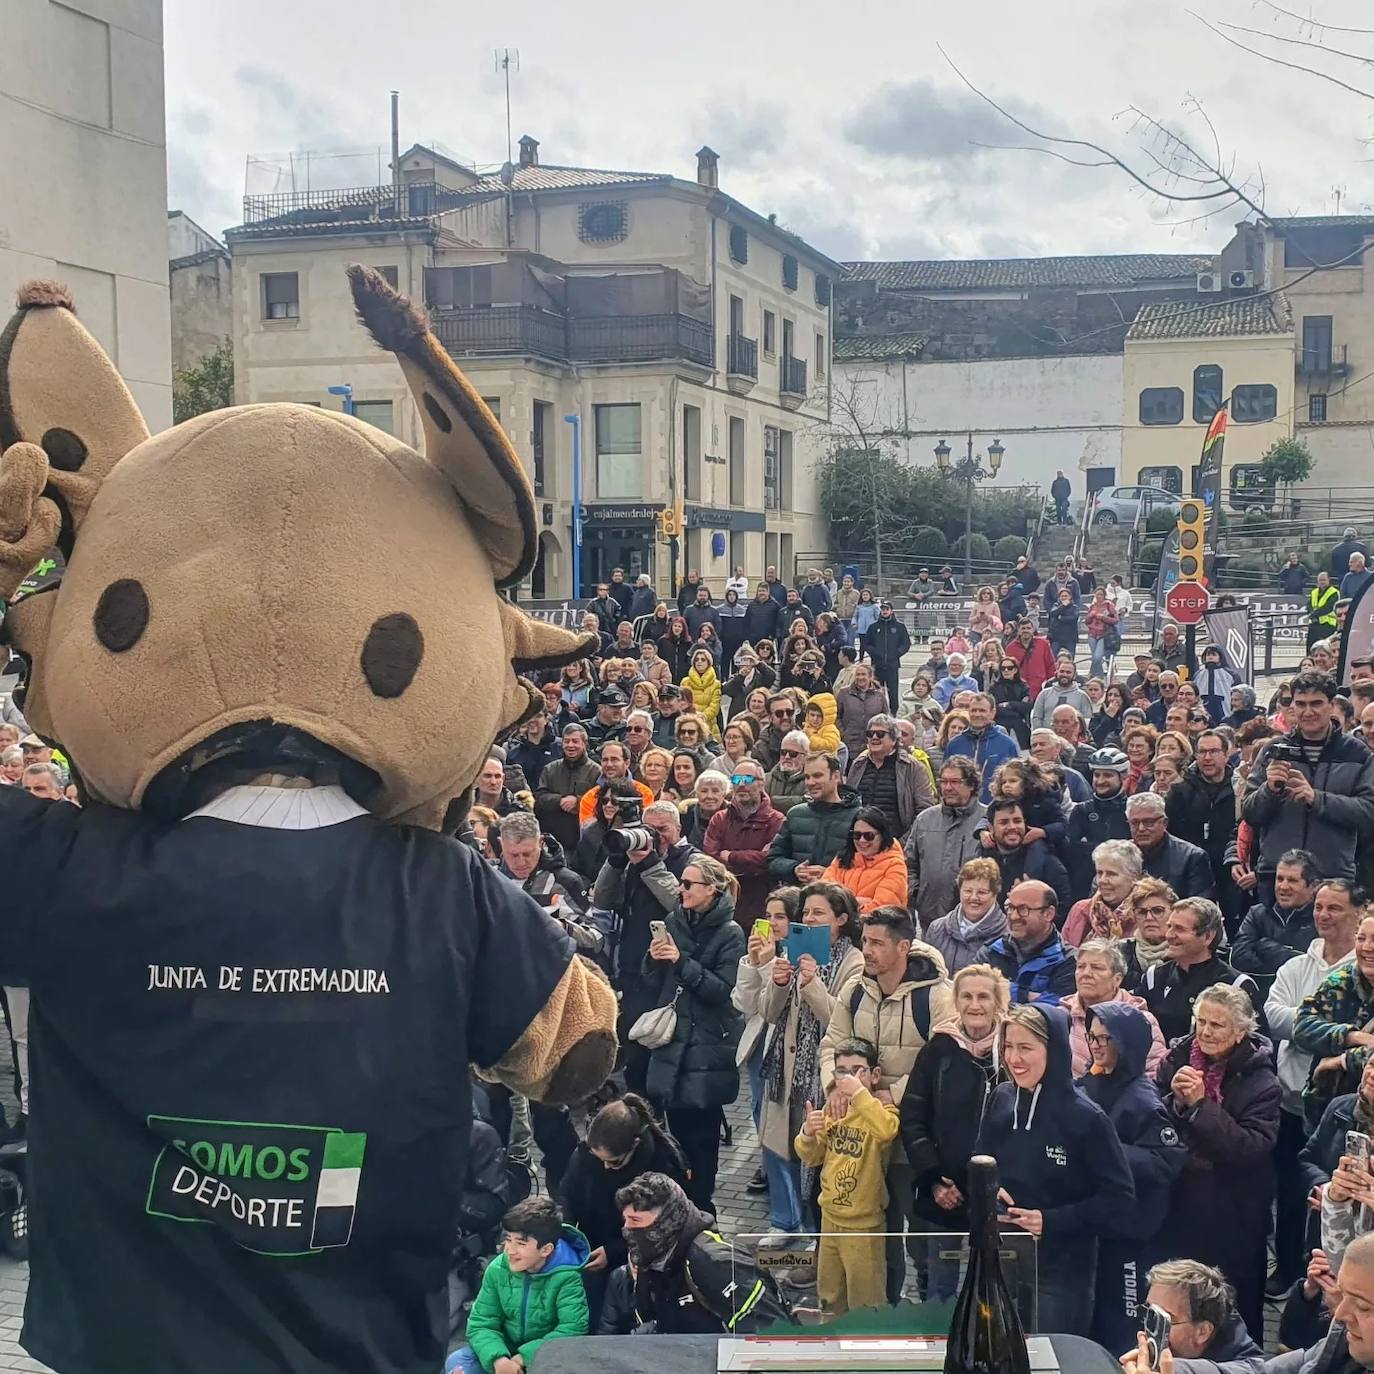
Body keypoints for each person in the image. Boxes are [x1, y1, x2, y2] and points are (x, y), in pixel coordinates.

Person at [977, 1003, 1134, 1335]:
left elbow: (1120, 1199)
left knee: (1053, 1358)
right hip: (1001, 1255)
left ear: (1055, 1051)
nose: (1013, 1058)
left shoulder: (1087, 1118)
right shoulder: (1002, 1098)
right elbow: (980, 1160)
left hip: (1062, 1269)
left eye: (1025, 1048)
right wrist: (988, 1188)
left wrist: (1051, 1220)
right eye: (1008, 1047)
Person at [1155, 983, 1282, 1341]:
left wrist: (1199, 1107)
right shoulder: (1176, 1057)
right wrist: (1175, 1102)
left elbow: (1250, 1147)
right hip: (1180, 1203)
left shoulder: (1263, 1082)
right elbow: (1151, 1116)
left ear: (1242, 1031)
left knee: (1234, 1306)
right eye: (1202, 1022)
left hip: (1234, 1211)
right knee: (1181, 1300)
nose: (1206, 1032)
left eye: (1218, 1025)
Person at [753, 881, 865, 1243]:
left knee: (816, 1158)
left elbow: (841, 1020)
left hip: (823, 1075)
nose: (810, 919)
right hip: (786, 1071)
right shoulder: (791, 949)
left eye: (819, 913)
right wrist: (781, 982)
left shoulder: (854, 962)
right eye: (806, 913)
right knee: (782, 1147)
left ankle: (819, 1239)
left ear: (841, 919)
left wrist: (812, 984)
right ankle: (786, 1222)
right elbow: (769, 1013)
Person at [1267, 879, 1361, 1293]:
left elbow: (1301, 1024)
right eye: (1319, 907)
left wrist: (1332, 1047)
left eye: (1334, 908)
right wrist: (1350, 1035)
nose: (1322, 915)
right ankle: (1293, 1273)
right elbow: (1282, 1020)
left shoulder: (1362, 971)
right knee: (1295, 1191)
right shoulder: (1296, 967)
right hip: (1295, 1099)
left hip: (1350, 1107)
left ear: (1358, 914)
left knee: (1341, 1197)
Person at [1079, 1003, 1189, 1355]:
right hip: (1099, 1227)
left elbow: (1166, 1161)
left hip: (1132, 1235)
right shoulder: (1091, 1083)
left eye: (1105, 1038)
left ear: (1127, 1043)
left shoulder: (1142, 1100)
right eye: (1092, 1036)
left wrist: (1107, 1152)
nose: (1096, 1045)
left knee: (1123, 1325)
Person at [640, 854, 744, 1212]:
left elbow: (724, 991)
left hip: (708, 1048)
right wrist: (654, 958)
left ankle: (702, 1210)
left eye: (688, 884)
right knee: (675, 1136)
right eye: (681, 883)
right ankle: (680, 1207)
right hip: (673, 1044)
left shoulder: (731, 933)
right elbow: (654, 981)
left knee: (703, 1140)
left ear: (711, 890)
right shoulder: (673, 921)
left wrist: (681, 962)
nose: (680, 889)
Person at [900, 963, 1010, 1296]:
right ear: (956, 1001)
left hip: (997, 1194)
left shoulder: (1013, 1048)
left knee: (994, 1285)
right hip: (944, 1191)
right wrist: (933, 1179)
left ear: (998, 1003)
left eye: (983, 997)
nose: (975, 1005)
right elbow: (913, 1115)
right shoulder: (938, 1049)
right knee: (941, 1287)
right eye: (966, 997)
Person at [557, 1093, 689, 1325]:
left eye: (614, 1161)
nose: (606, 1167)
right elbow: (568, 1192)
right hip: (592, 1249)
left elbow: (666, 1230)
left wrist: (614, 1251)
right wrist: (567, 1229)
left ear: (635, 1145)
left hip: (639, 1259)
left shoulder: (664, 1164)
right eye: (599, 1159)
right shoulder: (586, 1153)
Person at [1242, 670, 1374, 895]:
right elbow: (1249, 813)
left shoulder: (1358, 753)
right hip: (1277, 877)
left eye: (1316, 703)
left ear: (1332, 705)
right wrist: (1270, 790)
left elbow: (1368, 813)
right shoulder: (1273, 750)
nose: (1308, 712)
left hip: (1332, 881)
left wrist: (1317, 799)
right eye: (1301, 704)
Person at [795, 1037, 899, 1315]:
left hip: (864, 1226)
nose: (849, 1077)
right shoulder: (834, 1110)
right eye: (842, 1071)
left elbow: (887, 1130)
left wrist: (860, 1095)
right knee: (829, 1297)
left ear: (874, 1075)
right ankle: (830, 1348)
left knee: (866, 1303)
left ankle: (867, 1354)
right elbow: (812, 1156)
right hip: (829, 1220)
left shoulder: (882, 1110)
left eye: (858, 1070)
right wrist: (808, 1132)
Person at [616, 1173, 792, 1334]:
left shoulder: (714, 1262)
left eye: (635, 1220)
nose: (627, 1229)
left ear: (667, 1220)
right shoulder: (650, 1257)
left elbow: (770, 1333)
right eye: (625, 1220)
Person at [449, 1196, 589, 1374]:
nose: (510, 1250)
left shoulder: (567, 1276)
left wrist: (523, 1358)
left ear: (546, 1250)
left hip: (543, 1355)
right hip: (503, 1350)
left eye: (521, 1243)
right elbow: (481, 1323)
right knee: (457, 1361)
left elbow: (573, 1329)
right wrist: (498, 1359)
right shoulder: (497, 1269)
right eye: (508, 1240)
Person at [1143, 897, 1265, 1045]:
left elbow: (1258, 1045)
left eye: (1179, 929)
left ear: (1208, 936)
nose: (1169, 935)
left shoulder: (1237, 985)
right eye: (1170, 926)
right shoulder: (1154, 978)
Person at [1294, 909, 1374, 1131]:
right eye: (1361, 938)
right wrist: (1350, 1036)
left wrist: (1340, 1061)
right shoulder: (1340, 980)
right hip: (1323, 1112)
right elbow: (1301, 1027)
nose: (1367, 947)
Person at [1126, 1259, 1267, 1374]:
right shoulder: (1168, 1343)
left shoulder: (1247, 1368)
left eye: (1163, 1320)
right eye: (1149, 1312)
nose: (1148, 1329)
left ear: (1203, 1332)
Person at [1063, 938, 1168, 1076]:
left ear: (1117, 979)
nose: (1086, 974)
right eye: (1081, 966)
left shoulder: (1141, 1021)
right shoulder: (1061, 1016)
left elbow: (1155, 1074)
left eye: (1096, 967)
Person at [905, 758, 988, 930]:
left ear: (972, 785)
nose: (948, 788)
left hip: (975, 921)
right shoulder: (925, 820)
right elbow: (909, 863)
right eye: (944, 782)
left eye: (955, 782)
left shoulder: (987, 819)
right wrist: (916, 893)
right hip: (930, 918)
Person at [702, 757, 784, 925]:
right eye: (736, 780)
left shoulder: (776, 820)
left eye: (747, 779)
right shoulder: (719, 819)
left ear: (761, 784)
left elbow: (767, 860)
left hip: (761, 904)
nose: (741, 784)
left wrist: (731, 857)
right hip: (723, 903)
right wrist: (749, 861)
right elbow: (711, 859)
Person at [767, 752, 862, 887]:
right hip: (797, 899)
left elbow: (868, 867)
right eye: (807, 777)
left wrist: (831, 874)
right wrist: (794, 869)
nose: (811, 782)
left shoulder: (858, 818)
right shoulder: (795, 814)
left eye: (817, 776)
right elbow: (773, 859)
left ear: (835, 776)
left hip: (839, 901)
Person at [1232, 849, 1320, 993]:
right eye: (1279, 879)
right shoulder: (1257, 913)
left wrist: (1266, 947)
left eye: (1292, 880)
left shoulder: (1322, 920)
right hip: (1258, 995)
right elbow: (1238, 960)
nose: (1283, 887)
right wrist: (1291, 957)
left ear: (1313, 886)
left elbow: (1313, 969)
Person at [1165, 730, 1237, 905]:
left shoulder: (1239, 788)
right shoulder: (1180, 791)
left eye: (1213, 751)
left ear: (1226, 755)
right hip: (1190, 873)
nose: (1207, 757)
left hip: (1229, 873)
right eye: (1202, 752)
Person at [980, 877, 1077, 1005]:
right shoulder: (991, 951)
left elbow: (1058, 1008)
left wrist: (1000, 992)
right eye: (1010, 907)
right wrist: (1026, 995)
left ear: (1048, 914)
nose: (1014, 916)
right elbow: (971, 993)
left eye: (1023, 909)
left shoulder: (1070, 961)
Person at [846, 713, 934, 837]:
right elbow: (848, 805)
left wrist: (903, 844)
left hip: (896, 845)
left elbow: (925, 812)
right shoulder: (858, 765)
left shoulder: (913, 767)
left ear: (894, 739)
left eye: (880, 734)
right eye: (870, 734)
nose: (874, 737)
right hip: (860, 843)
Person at [981, 798, 1072, 916]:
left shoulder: (1048, 863)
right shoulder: (981, 863)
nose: (1012, 827)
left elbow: (1062, 912)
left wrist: (1032, 900)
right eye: (1004, 822)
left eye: (1017, 821)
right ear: (991, 829)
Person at [1066, 749, 1133, 900]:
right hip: (1084, 889)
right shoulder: (1082, 810)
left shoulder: (1131, 810)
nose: (1100, 780)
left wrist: (1091, 846)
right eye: (1097, 775)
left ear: (1123, 777)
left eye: (1108, 775)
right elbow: (1072, 849)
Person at [924, 857, 1008, 974]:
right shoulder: (936, 928)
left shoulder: (1007, 936)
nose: (973, 897)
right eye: (968, 891)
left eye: (982, 892)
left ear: (995, 894)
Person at [1128, 791, 1216, 900]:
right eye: (1135, 823)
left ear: (1164, 823)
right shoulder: (1119, 855)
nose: (1141, 828)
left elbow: (1200, 908)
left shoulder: (1192, 857)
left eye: (1148, 822)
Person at [1063, 839, 1144, 947]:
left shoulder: (1146, 914)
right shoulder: (1079, 910)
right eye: (1100, 873)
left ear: (1134, 877)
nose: (1102, 880)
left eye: (1111, 874)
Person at [941, 691, 1019, 803]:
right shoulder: (954, 744)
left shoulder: (1007, 744)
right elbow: (945, 778)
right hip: (960, 809)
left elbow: (1015, 781)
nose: (977, 714)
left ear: (992, 712)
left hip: (995, 809)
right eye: (973, 710)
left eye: (982, 710)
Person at [862, 600, 911, 715]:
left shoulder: (899, 627)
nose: (884, 611)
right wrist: (875, 652)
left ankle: (895, 715)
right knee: (877, 692)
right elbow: (867, 643)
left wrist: (896, 653)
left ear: (891, 611)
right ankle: (878, 714)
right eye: (883, 609)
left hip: (892, 666)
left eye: (887, 609)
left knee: (893, 693)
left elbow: (906, 644)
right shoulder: (873, 627)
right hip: (877, 666)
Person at [837, 663, 890, 760]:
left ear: (870, 677)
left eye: (863, 674)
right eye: (858, 674)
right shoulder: (844, 693)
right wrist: (843, 733)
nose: (860, 677)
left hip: (873, 744)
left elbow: (885, 719)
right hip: (850, 744)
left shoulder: (879, 695)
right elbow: (836, 716)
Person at [1031, 658, 1093, 731]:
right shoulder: (1044, 694)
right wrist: (1042, 735)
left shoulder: (1082, 696)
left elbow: (1086, 721)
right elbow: (1036, 717)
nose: (1064, 674)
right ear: (1057, 673)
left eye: (1068, 672)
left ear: (1075, 675)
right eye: (1062, 671)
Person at [1006, 618, 1057, 700]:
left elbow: (1050, 665)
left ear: (1033, 630)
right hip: (1019, 691)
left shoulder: (1043, 644)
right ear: (1018, 630)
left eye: (1028, 628)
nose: (1026, 630)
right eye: (1023, 628)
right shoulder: (1011, 648)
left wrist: (1050, 685)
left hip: (1040, 690)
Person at [764, 731, 811, 813]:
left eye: (793, 754)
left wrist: (772, 800)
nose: (787, 757)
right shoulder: (767, 778)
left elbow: (808, 803)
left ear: (805, 757)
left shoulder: (811, 779)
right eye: (783, 752)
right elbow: (760, 803)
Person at [1308, 572, 1341, 652]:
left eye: (1324, 580)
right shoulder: (1314, 592)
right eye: (1320, 580)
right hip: (1314, 624)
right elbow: (1309, 605)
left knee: (1326, 649)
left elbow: (1328, 607)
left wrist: (1313, 614)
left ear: (1328, 580)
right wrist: (1312, 614)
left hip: (1328, 625)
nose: (1322, 582)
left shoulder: (1334, 592)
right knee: (1311, 648)